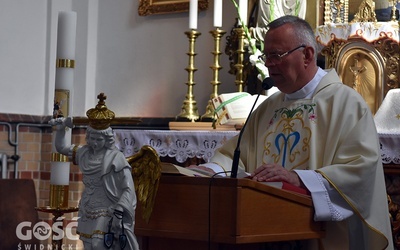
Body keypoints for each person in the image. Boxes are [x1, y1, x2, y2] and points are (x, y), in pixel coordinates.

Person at [192, 16, 394, 249]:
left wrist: (298, 179)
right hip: (263, 232)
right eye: (266, 56)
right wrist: (209, 170)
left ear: (307, 54)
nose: (269, 64)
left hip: (323, 236)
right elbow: (235, 155)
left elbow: (360, 170)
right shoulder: (268, 107)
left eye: (276, 55)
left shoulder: (346, 104)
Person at [50, 93, 139, 250]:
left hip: (107, 207)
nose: (95, 143)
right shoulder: (84, 153)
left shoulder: (115, 158)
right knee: (88, 244)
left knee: (99, 244)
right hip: (87, 206)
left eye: (99, 139)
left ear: (107, 139)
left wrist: (120, 209)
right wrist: (61, 128)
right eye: (92, 138)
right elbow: (61, 148)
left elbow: (128, 188)